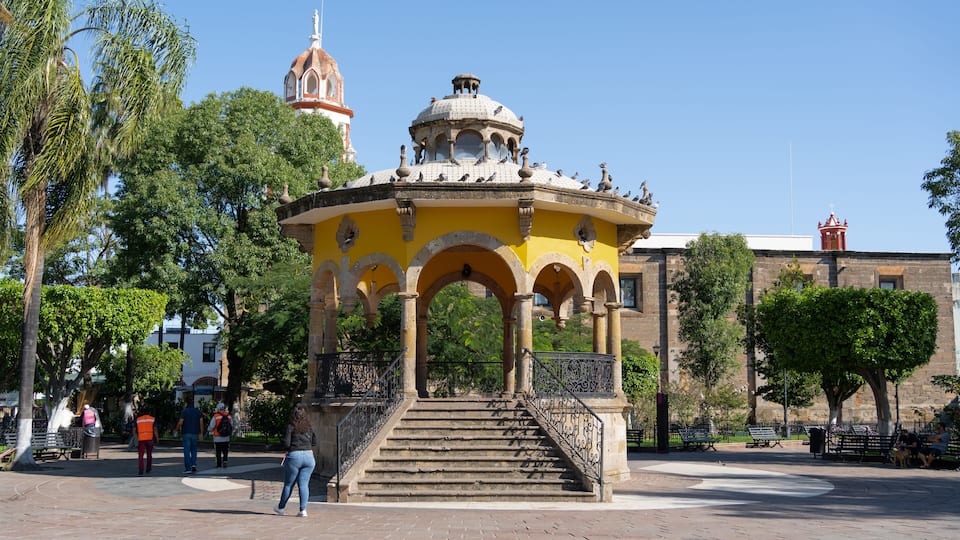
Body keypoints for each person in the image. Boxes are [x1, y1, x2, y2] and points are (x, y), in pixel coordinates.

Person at [273, 405, 317, 517]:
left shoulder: (290, 426)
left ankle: (281, 507)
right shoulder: (309, 427)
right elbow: (314, 442)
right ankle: (303, 510)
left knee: (289, 484)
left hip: (294, 456)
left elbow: (286, 443)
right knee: (304, 484)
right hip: (309, 456)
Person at [175, 401, 203, 473]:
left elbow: (181, 422)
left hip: (186, 433)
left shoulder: (184, 411)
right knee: (194, 450)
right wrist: (201, 433)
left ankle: (188, 468)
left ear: (187, 404)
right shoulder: (198, 412)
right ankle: (193, 464)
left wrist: (176, 429)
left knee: (187, 450)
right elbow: (201, 423)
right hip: (195, 433)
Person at [135, 408, 159, 476]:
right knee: (149, 454)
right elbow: (155, 429)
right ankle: (148, 468)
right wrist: (157, 438)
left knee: (140, 455)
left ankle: (141, 469)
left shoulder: (138, 419)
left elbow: (134, 430)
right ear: (149, 412)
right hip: (149, 439)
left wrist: (135, 437)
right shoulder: (152, 419)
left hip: (141, 439)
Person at [208, 402, 232, 468]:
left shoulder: (216, 416)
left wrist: (209, 430)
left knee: (218, 451)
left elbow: (211, 426)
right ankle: (225, 461)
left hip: (217, 437)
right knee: (225, 450)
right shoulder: (229, 416)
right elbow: (231, 425)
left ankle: (219, 464)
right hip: (226, 437)